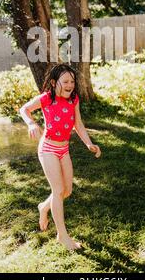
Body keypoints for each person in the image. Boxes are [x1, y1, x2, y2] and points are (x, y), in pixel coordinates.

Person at [20, 63, 101, 251]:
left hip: (64, 149)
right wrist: (31, 123)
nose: (70, 84)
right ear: (55, 82)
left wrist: (89, 143)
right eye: (65, 81)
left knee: (67, 190)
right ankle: (62, 236)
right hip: (48, 148)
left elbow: (78, 125)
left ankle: (44, 207)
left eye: (72, 81)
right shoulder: (47, 98)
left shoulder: (73, 100)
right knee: (58, 191)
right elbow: (24, 109)